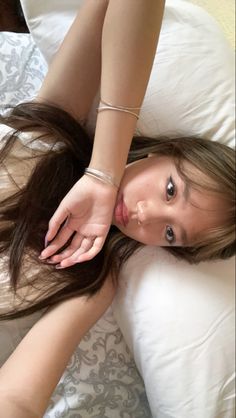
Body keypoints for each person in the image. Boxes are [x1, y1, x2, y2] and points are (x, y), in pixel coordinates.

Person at [0, 0, 235, 415]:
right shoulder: (50, 140)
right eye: (169, 190)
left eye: (170, 234)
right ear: (162, 152)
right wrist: (103, 174)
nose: (146, 216)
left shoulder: (90, 277)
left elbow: (16, 399)